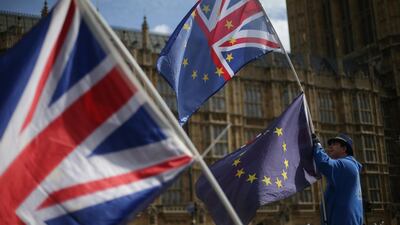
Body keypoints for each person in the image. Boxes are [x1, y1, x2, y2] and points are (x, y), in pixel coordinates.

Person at [312, 133, 364, 225]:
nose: (330, 147)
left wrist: (317, 145)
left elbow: (324, 164)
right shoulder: (348, 166)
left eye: (334, 144)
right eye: (330, 144)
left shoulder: (347, 165)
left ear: (344, 149)